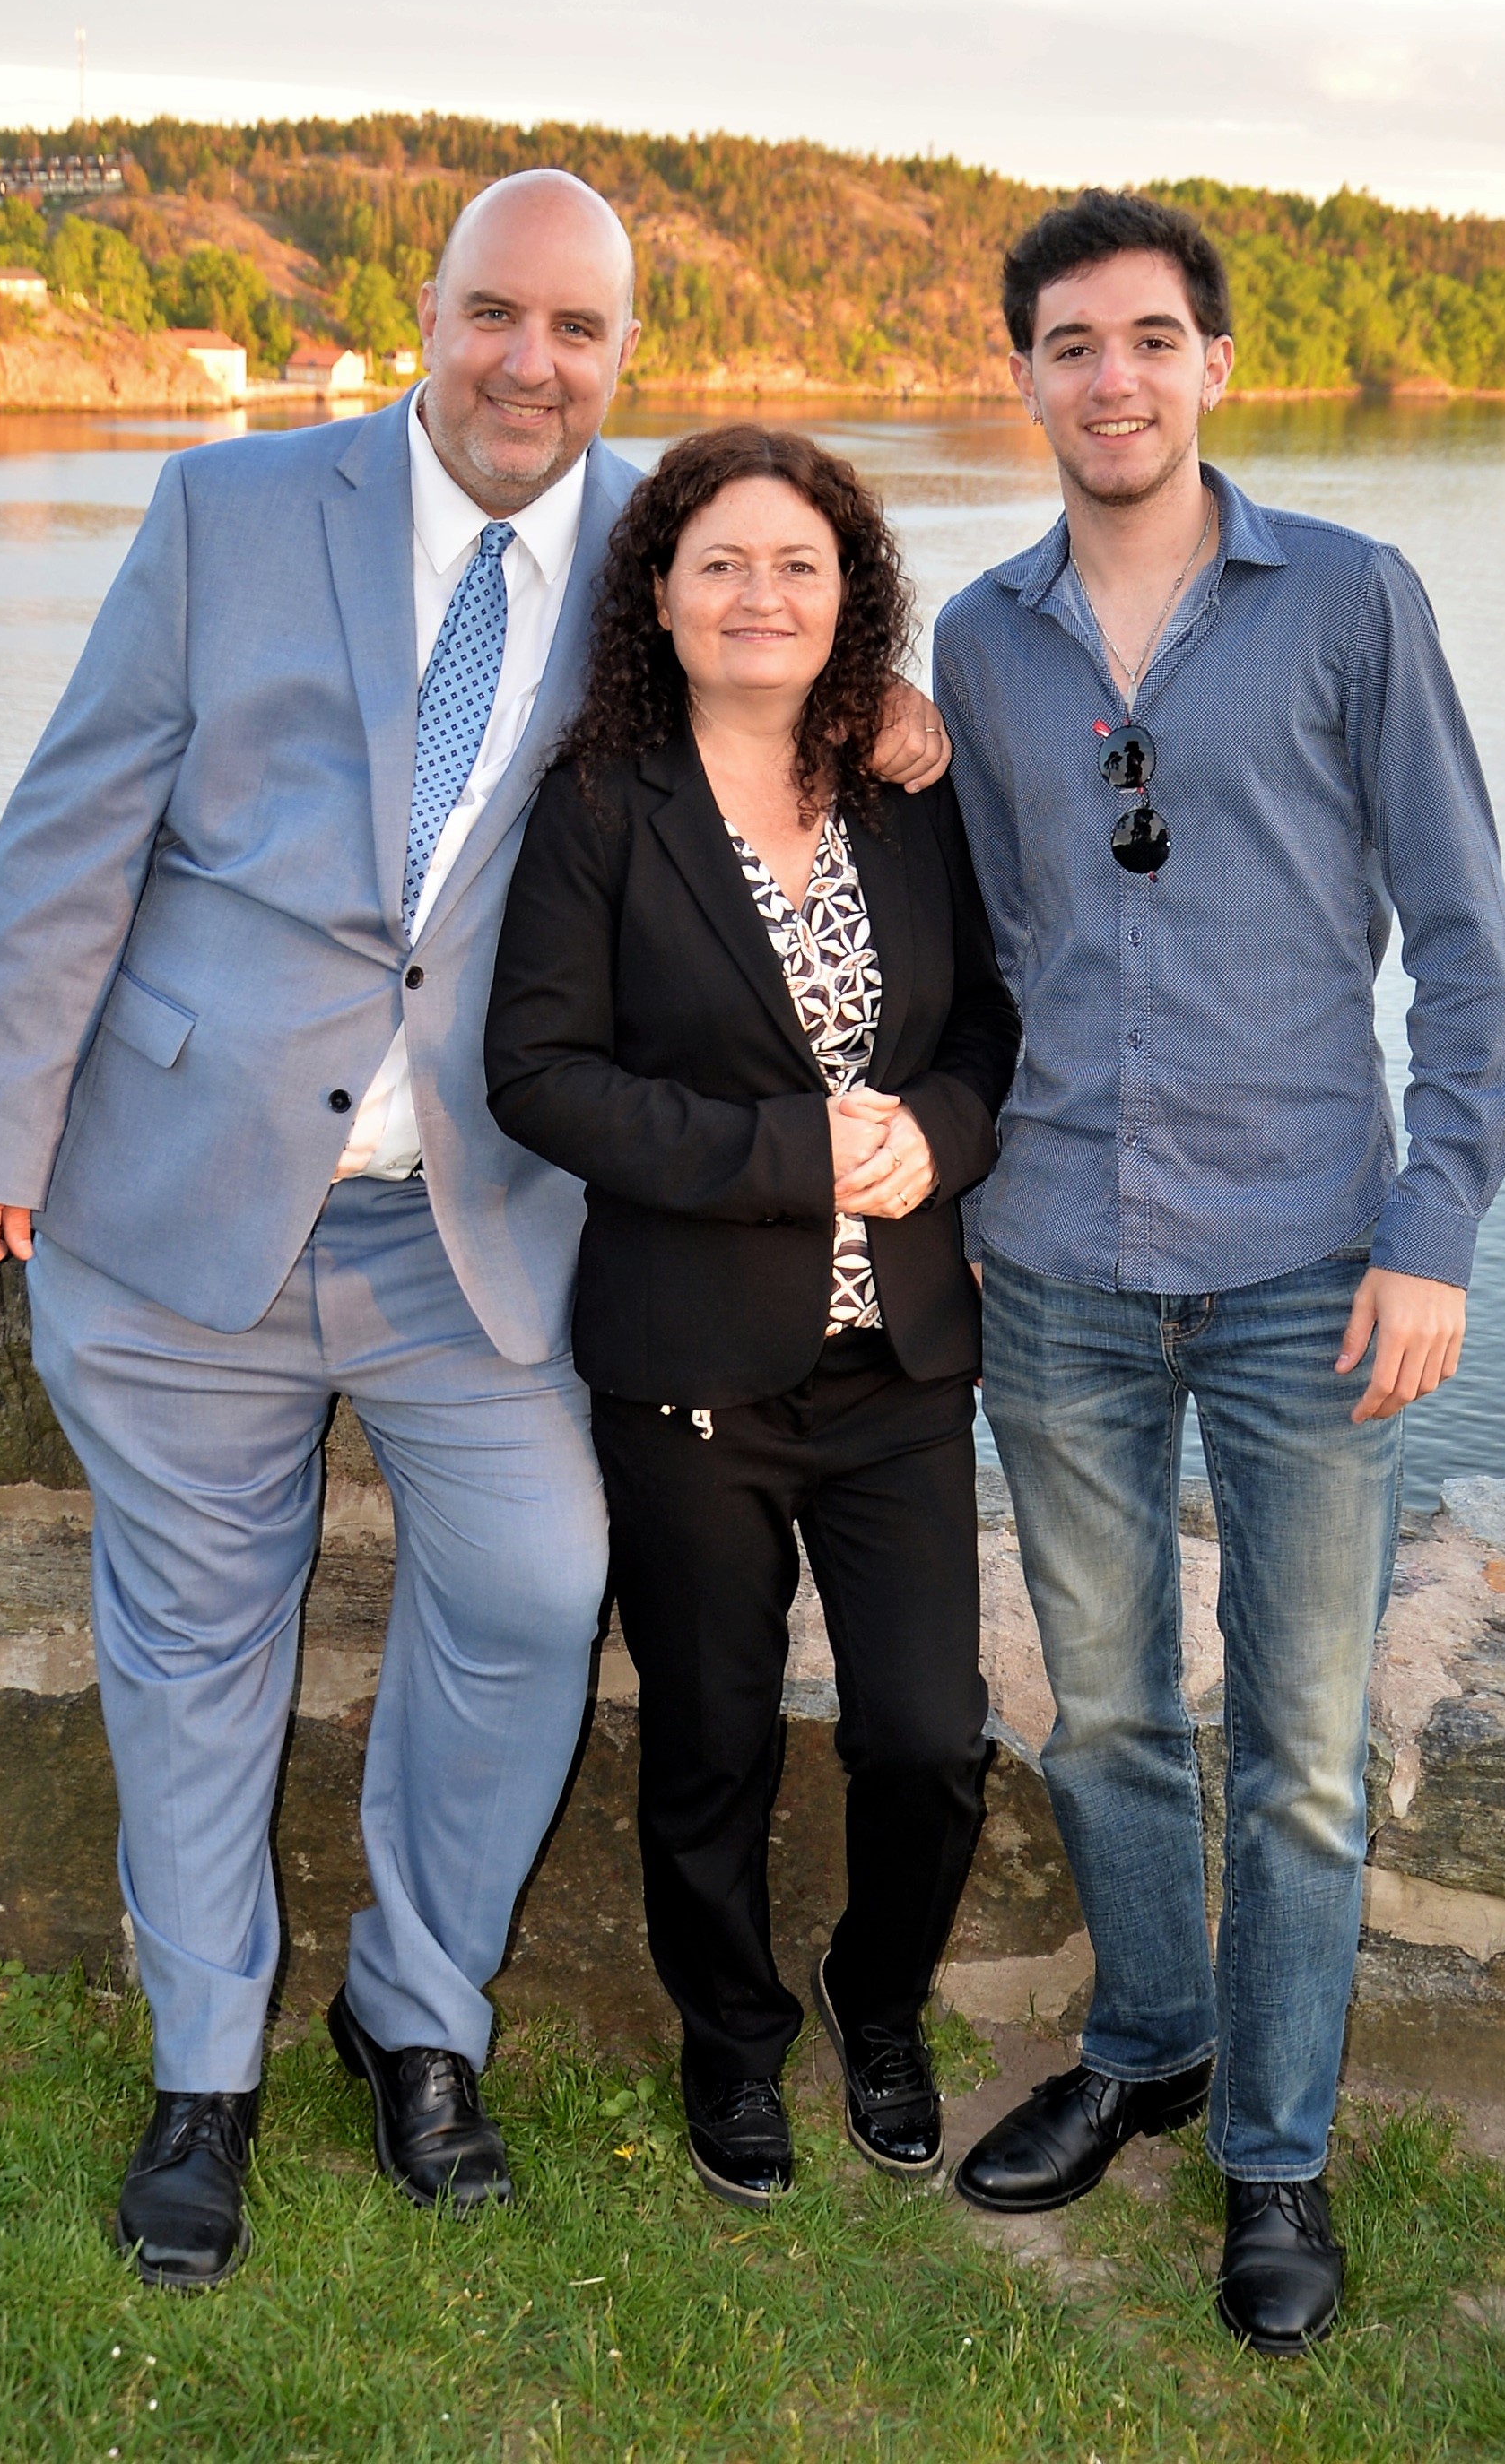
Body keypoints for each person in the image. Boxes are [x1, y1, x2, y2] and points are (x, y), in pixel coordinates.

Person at [0, 175, 952, 2285]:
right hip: (181, 1193)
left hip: (472, 1232)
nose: (525, 364)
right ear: (427, 307)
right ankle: (202, 2072)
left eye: (574, 329)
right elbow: (76, 817)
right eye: (493, 312)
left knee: (538, 1590)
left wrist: (891, 708)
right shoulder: (222, 509)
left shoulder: (667, 555)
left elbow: (791, 687)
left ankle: (416, 2014)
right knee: (193, 1647)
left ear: (621, 353)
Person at [935, 190, 1505, 2353]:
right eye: (1070, 344)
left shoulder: (1350, 600)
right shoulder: (977, 642)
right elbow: (972, 953)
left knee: (1296, 1745)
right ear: (1024, 376)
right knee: (1102, 1710)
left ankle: (1273, 2156)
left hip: (1307, 1264)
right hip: (1053, 1263)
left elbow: (1463, 946)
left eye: (1149, 338)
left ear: (1212, 365)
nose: (1112, 378)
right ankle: (1148, 2046)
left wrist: (1431, 1232)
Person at [485, 427, 1020, 2205]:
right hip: (689, 1368)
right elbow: (536, 1074)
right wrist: (787, 1153)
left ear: (848, 591)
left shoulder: (903, 788)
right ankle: (730, 2036)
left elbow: (983, 1026)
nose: (760, 595)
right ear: (658, 593)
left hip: (901, 1365)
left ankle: (877, 1999)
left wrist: (939, 1137)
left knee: (928, 1737)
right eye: (720, 562)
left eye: (799, 563)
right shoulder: (599, 804)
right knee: (708, 1739)